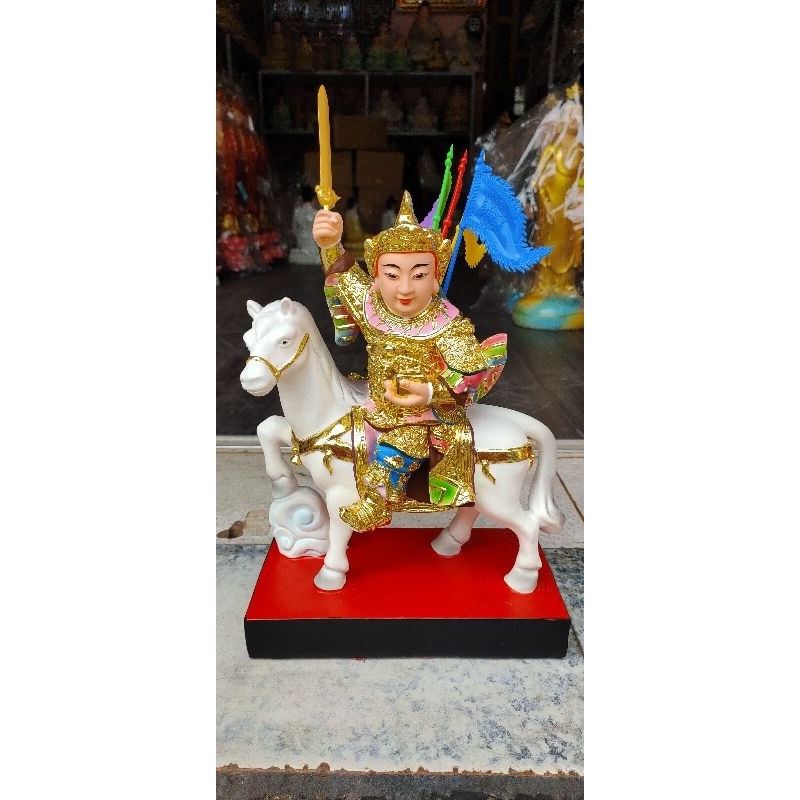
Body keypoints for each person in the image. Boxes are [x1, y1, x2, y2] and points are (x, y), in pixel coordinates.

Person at [311, 191, 508, 531]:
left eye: (418, 275)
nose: (404, 288)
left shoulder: (446, 324)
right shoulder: (371, 306)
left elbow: (473, 371)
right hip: (373, 399)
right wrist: (330, 244)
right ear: (376, 278)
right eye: (392, 274)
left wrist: (430, 393)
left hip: (422, 415)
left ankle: (377, 498)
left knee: (404, 440)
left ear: (435, 281)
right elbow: (344, 275)